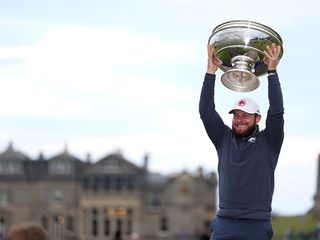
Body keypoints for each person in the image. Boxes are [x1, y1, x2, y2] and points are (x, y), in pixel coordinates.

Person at [199, 42, 284, 240]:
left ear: (257, 119)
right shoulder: (223, 138)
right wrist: (210, 72)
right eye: (236, 115)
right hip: (224, 223)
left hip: (257, 226)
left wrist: (272, 71)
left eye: (246, 115)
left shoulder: (269, 142)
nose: (239, 120)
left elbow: (277, 112)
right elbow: (206, 111)